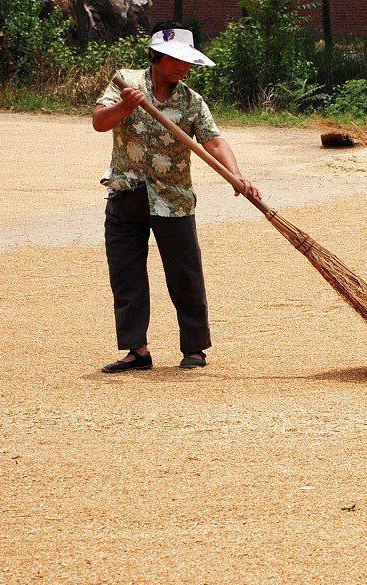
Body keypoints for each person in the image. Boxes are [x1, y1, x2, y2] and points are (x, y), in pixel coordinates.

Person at [93, 21, 262, 373]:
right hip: (127, 191)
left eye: (188, 62)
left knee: (185, 273)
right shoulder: (126, 83)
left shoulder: (191, 101)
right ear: (156, 56)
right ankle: (136, 350)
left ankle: (194, 348)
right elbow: (100, 121)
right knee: (126, 274)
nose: (185, 69)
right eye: (177, 61)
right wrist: (126, 107)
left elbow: (213, 140)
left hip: (173, 198)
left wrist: (236, 176)